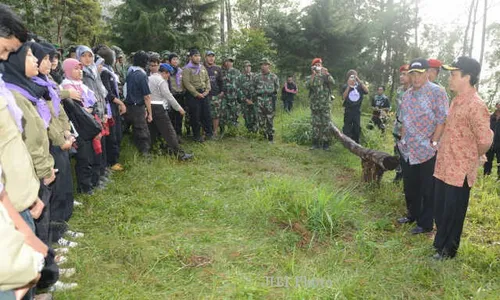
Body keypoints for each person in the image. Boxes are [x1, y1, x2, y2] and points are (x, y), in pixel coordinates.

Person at [433, 57, 493, 260]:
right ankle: (439, 245)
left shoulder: (476, 105)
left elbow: (485, 140)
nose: (450, 78)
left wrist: (470, 155)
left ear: (467, 77)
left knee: (453, 211)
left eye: (453, 74)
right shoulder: (456, 100)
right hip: (444, 165)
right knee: (440, 207)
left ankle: (448, 251)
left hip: (459, 171)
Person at [397, 58, 449, 234]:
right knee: (410, 185)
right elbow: (404, 121)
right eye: (413, 74)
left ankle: (425, 224)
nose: (416, 78)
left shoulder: (437, 92)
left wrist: (434, 142)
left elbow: (442, 120)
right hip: (409, 148)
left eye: (419, 74)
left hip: (428, 150)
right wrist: (403, 142)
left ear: (428, 73)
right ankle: (412, 214)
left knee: (428, 188)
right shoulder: (407, 95)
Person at [148, 63, 193, 160]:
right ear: (164, 72)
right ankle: (180, 155)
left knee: (152, 131)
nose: (169, 76)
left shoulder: (149, 78)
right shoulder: (161, 81)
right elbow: (169, 96)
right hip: (159, 107)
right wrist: (179, 108)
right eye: (168, 74)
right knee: (169, 131)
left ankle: (151, 151)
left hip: (149, 107)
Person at [97, 45, 126, 172]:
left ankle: (114, 158)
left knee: (117, 133)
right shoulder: (103, 72)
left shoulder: (109, 70)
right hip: (109, 107)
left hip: (114, 105)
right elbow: (108, 93)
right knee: (112, 134)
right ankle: (112, 161)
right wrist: (120, 102)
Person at [123, 51, 152, 155]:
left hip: (128, 105)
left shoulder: (130, 73)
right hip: (137, 107)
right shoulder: (141, 75)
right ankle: (145, 154)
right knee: (142, 131)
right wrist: (149, 112)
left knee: (128, 128)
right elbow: (147, 96)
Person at [182, 49, 212, 142]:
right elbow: (187, 83)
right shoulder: (186, 69)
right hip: (193, 95)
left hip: (204, 93)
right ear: (190, 57)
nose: (197, 58)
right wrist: (196, 94)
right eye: (195, 56)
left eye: (198, 56)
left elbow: (207, 80)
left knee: (206, 114)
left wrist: (207, 91)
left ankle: (209, 134)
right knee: (195, 116)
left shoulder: (202, 67)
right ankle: (197, 136)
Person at [306, 58, 335, 150]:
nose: (318, 66)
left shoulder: (325, 76)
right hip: (315, 105)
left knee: (326, 124)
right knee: (315, 124)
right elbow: (307, 86)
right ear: (313, 67)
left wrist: (327, 74)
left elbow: (333, 82)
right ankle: (315, 143)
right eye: (316, 65)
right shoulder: (310, 77)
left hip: (325, 104)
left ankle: (326, 144)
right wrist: (313, 75)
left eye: (320, 64)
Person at [253, 58, 279, 142]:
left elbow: (277, 88)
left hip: (270, 99)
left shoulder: (274, 77)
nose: (264, 66)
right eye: (262, 65)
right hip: (259, 99)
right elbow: (253, 88)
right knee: (260, 119)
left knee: (269, 119)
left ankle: (270, 137)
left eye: (265, 65)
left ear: (269, 66)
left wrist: (272, 96)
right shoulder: (257, 77)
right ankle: (262, 136)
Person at [393, 64, 411, 182]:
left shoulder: (414, 91)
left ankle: (407, 175)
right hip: (398, 125)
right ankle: (398, 173)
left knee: (407, 151)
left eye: (404, 74)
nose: (401, 76)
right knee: (397, 149)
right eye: (401, 74)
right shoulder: (399, 90)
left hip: (409, 128)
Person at [342, 69, 368, 143]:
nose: (353, 78)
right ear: (348, 77)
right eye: (351, 76)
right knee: (347, 127)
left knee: (357, 127)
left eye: (354, 76)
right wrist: (349, 86)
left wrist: (359, 81)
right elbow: (343, 97)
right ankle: (346, 142)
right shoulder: (345, 86)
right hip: (348, 110)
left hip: (357, 110)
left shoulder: (360, 86)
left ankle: (356, 143)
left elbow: (366, 91)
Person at [167, 53, 187, 139]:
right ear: (169, 61)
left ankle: (178, 134)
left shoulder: (181, 71)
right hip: (172, 96)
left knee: (180, 115)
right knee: (171, 116)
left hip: (181, 95)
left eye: (176, 59)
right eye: (173, 59)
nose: (175, 61)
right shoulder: (167, 71)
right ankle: (171, 135)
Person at [204, 50, 224, 137]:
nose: (211, 58)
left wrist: (222, 92)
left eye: (212, 56)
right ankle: (205, 132)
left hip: (215, 95)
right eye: (209, 56)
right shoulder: (201, 68)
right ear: (205, 58)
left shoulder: (218, 69)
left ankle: (215, 132)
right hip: (205, 95)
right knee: (204, 114)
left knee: (216, 114)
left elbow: (221, 82)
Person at [220, 56, 241, 134]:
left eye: (231, 61)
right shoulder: (221, 71)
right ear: (225, 62)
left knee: (234, 114)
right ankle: (222, 131)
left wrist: (240, 97)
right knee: (222, 114)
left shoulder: (237, 72)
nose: (229, 63)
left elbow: (240, 84)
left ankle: (233, 131)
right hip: (223, 97)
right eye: (228, 61)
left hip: (234, 97)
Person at [240, 60, 257, 133]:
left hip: (254, 100)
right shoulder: (240, 77)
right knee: (246, 116)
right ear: (243, 68)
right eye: (246, 66)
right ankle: (249, 131)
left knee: (255, 115)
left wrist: (254, 100)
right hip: (245, 101)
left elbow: (259, 87)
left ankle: (255, 130)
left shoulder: (255, 76)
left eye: (249, 66)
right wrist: (246, 99)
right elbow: (238, 90)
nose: (247, 68)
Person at [484, 102, 500, 178]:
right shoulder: (490, 117)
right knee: (487, 163)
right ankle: (486, 177)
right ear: (496, 105)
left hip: (499, 145)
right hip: (489, 144)